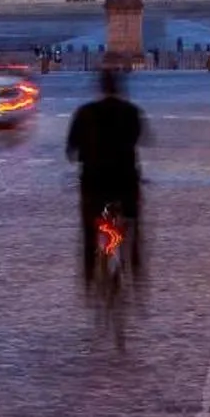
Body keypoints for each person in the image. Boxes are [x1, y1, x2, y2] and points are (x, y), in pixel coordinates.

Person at [65, 67, 148, 284]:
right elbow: (141, 138)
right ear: (119, 87)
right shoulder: (130, 111)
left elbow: (71, 149)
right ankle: (135, 256)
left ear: (99, 87)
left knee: (89, 225)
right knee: (133, 219)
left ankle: (89, 270)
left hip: (94, 182)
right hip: (124, 181)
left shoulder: (84, 113)